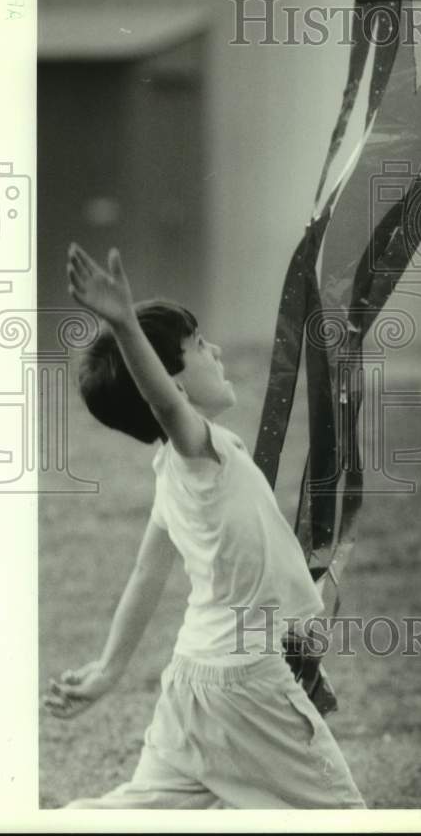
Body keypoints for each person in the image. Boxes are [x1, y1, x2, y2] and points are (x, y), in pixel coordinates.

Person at [43, 243, 365, 810]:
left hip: (194, 679)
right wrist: (123, 324)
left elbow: (146, 573)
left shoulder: (175, 472)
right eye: (198, 346)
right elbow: (166, 406)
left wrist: (109, 670)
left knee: (141, 811)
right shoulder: (196, 453)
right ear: (174, 384)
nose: (214, 350)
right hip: (245, 684)